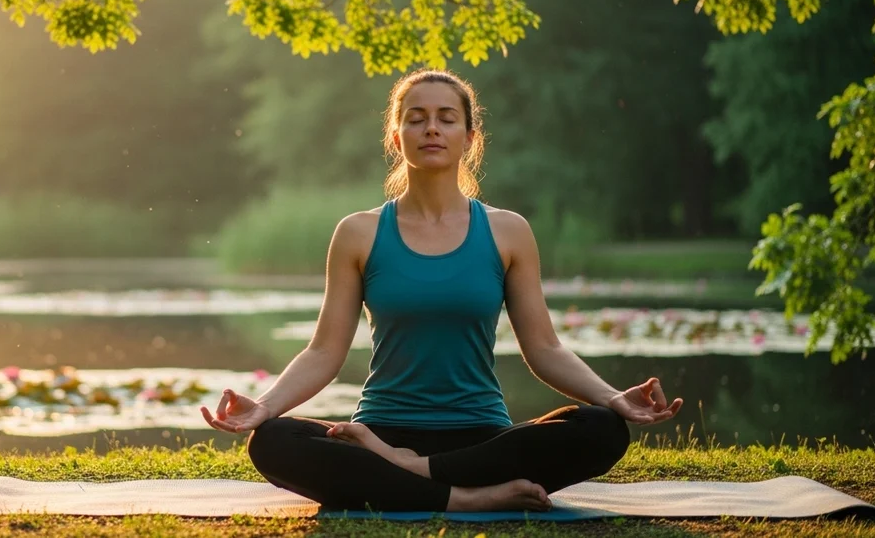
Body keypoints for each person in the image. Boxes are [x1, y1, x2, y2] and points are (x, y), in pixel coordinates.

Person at [199, 69, 684, 513]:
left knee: (601, 428)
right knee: (272, 440)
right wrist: (266, 406)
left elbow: (544, 348)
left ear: (470, 138)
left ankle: (416, 476)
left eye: (446, 118)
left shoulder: (507, 231)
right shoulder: (358, 233)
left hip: (480, 437)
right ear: (396, 136)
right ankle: (468, 498)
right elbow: (324, 350)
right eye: (417, 119)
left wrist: (613, 396)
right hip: (382, 429)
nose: (432, 128)